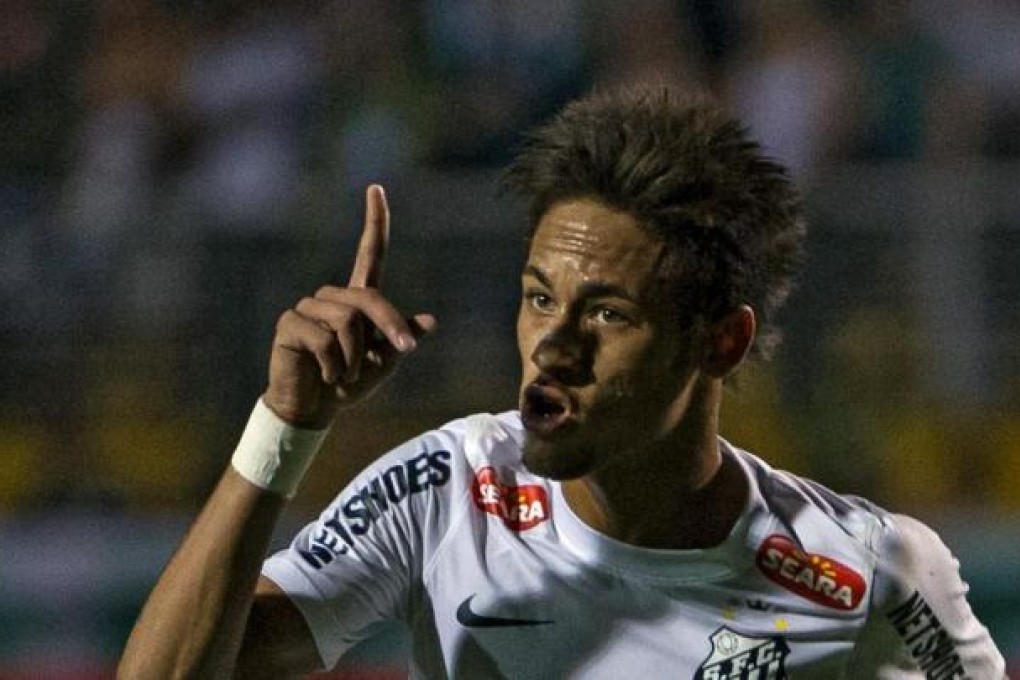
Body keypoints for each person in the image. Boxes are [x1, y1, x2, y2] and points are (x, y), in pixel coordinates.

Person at [119, 88, 1006, 678]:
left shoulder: (868, 571)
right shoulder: (449, 489)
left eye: (609, 314)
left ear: (723, 342)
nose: (555, 347)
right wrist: (283, 428)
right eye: (540, 298)